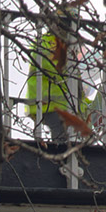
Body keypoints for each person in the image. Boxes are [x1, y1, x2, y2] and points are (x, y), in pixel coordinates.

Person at [25, 14, 88, 146]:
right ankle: (62, 161)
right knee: (62, 138)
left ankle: (65, 159)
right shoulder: (49, 43)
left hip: (55, 105)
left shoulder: (60, 43)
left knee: (67, 137)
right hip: (50, 105)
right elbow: (63, 71)